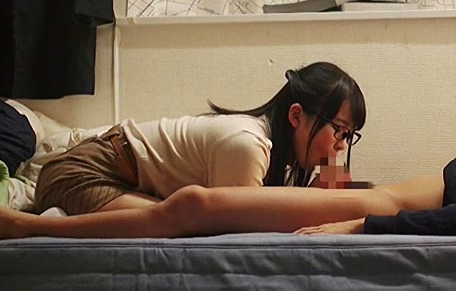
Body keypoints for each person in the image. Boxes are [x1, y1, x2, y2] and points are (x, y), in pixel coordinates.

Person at [0, 131, 456, 240]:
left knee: (194, 207)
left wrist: (364, 225)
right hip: (391, 196)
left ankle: (22, 228)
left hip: (388, 207)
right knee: (193, 206)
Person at [32, 61, 366, 216]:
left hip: (118, 175)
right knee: (173, 222)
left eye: (349, 136)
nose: (341, 145)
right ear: (296, 116)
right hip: (79, 175)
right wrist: (317, 202)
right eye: (338, 130)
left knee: (177, 216)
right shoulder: (248, 145)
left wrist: (323, 193)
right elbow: (243, 231)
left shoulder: (274, 152)